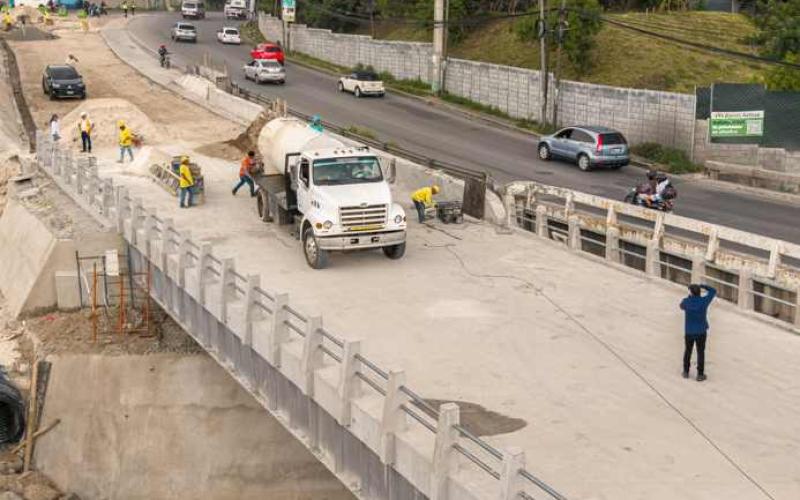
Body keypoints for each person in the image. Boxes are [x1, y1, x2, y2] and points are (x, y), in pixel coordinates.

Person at [680, 284, 717, 382]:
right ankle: (700, 374)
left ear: (691, 292)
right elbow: (713, 291)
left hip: (689, 331)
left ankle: (686, 371)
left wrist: (689, 297)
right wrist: (704, 286)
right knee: (701, 352)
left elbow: (681, 306)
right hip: (701, 331)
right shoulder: (704, 301)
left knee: (688, 351)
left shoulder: (687, 301)